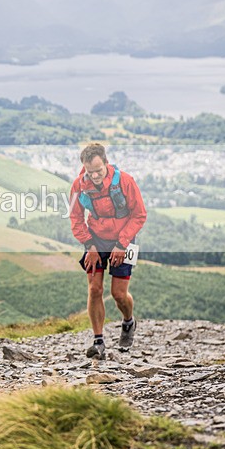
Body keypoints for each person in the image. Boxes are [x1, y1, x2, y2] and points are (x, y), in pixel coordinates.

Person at [69, 143, 147, 359]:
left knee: (118, 294)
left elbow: (139, 215)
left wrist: (121, 244)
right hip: (96, 238)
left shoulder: (125, 181)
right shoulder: (79, 186)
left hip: (125, 238)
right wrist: (89, 245)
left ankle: (128, 322)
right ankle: (98, 342)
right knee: (94, 289)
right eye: (89, 171)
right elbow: (75, 217)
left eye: (98, 170)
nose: (94, 175)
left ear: (106, 162)